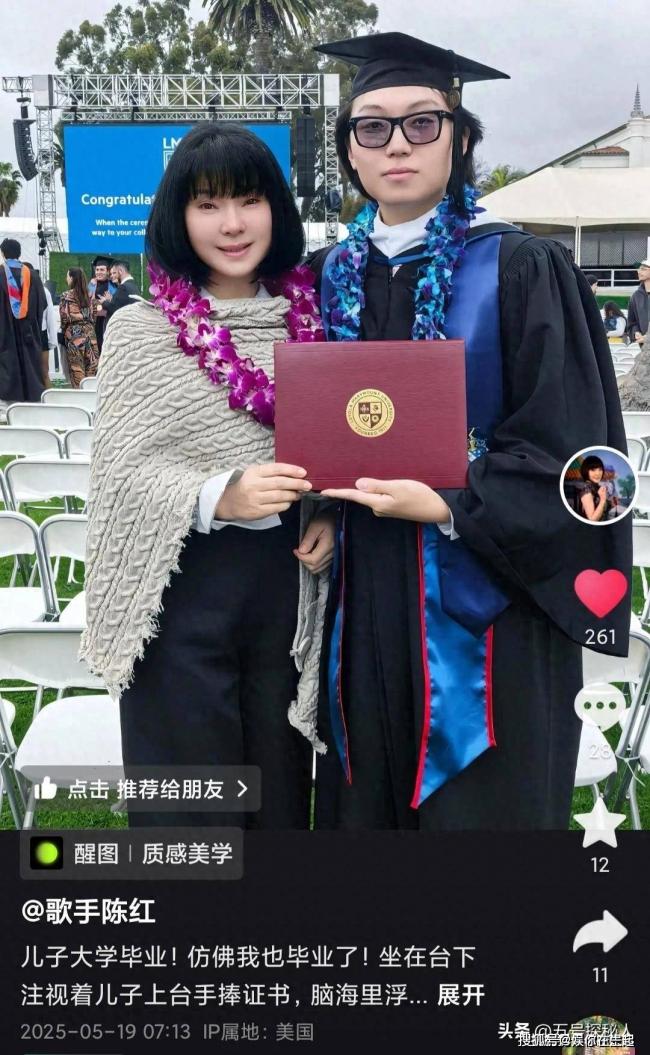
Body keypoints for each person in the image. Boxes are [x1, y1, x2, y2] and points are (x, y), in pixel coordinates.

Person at [304, 32, 631, 830]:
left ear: (459, 138)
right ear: (349, 151)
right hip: (361, 602)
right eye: (372, 126)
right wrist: (319, 507)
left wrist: (450, 501)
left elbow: (582, 466)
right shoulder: (327, 277)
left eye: (423, 122)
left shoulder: (520, 268)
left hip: (488, 609)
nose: (397, 144)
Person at [79, 123, 336, 829]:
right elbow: (120, 476)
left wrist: (326, 513)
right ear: (178, 216)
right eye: (208, 204)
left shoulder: (317, 324)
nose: (232, 225)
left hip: (286, 595)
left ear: (276, 209)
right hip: (180, 596)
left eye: (250, 200)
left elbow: (342, 445)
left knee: (280, 799)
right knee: (190, 813)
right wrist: (218, 494)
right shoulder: (140, 330)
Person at [0, 237, 48, 404]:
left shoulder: (0, 274)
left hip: (6, 333)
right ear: (19, 253)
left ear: (3, 254)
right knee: (30, 366)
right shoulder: (32, 275)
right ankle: (32, 401)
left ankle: (9, 404)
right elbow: (42, 304)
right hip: (29, 332)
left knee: (8, 365)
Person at [59, 267, 99, 388]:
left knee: (77, 371)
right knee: (92, 368)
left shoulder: (66, 296)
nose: (66, 279)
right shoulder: (90, 295)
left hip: (74, 336)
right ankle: (92, 396)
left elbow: (64, 318)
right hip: (90, 334)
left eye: (67, 276)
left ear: (72, 278)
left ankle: (79, 396)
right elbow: (94, 315)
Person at [88, 256, 117, 353]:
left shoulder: (114, 286)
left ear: (108, 271)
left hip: (107, 321)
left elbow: (116, 305)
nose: (99, 272)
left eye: (102, 270)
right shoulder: (91, 284)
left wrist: (110, 300)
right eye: (97, 270)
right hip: (93, 322)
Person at [575, 455, 614, 522]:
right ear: (586, 471)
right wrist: (603, 500)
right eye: (593, 470)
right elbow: (592, 519)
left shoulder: (595, 486)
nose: (597, 473)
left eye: (600, 469)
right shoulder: (586, 489)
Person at [626, 258, 650, 346]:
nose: (639, 271)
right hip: (644, 348)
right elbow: (632, 322)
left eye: (643, 269)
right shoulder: (636, 296)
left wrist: (648, 338)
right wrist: (636, 332)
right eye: (639, 269)